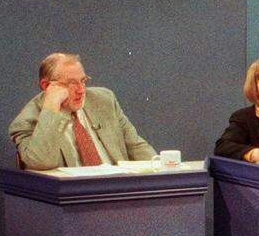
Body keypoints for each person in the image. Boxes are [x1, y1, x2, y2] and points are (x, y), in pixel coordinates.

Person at [10, 52, 156, 170]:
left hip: (120, 192)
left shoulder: (104, 100)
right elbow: (40, 163)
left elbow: (137, 147)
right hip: (74, 200)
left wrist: (162, 169)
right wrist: (51, 108)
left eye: (83, 80)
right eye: (71, 83)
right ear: (46, 85)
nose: (81, 90)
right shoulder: (26, 121)